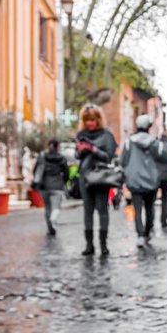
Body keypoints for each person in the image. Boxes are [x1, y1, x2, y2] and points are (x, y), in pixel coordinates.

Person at [74, 105, 118, 256]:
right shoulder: (80, 135)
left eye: (92, 119)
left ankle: (103, 245)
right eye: (86, 120)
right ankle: (89, 245)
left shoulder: (106, 135)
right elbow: (77, 157)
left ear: (98, 119)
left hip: (100, 176)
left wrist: (93, 149)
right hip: (85, 176)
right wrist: (80, 150)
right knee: (87, 211)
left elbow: (108, 156)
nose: (89, 123)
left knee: (102, 210)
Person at [120, 114, 163, 246]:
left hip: (135, 180)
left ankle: (140, 235)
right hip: (151, 180)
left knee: (137, 208)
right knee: (150, 208)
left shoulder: (129, 143)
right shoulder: (155, 143)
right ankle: (147, 232)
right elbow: (160, 159)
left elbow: (123, 161)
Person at [31, 139, 70, 236]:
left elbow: (35, 170)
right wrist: (63, 182)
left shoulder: (42, 157)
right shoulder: (62, 158)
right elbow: (66, 173)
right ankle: (54, 219)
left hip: (44, 186)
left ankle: (50, 229)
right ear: (57, 146)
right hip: (57, 186)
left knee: (47, 207)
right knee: (56, 207)